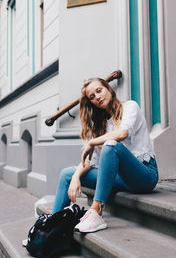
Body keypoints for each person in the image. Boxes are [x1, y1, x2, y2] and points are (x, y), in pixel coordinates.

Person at [52, 78, 158, 233]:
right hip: (121, 179)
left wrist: (92, 142)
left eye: (99, 90)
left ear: (108, 88)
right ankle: (50, 228)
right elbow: (91, 162)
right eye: (92, 97)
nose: (97, 97)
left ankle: (96, 211)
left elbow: (123, 133)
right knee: (66, 174)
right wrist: (76, 176)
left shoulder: (130, 107)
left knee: (111, 145)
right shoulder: (101, 125)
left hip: (145, 175)